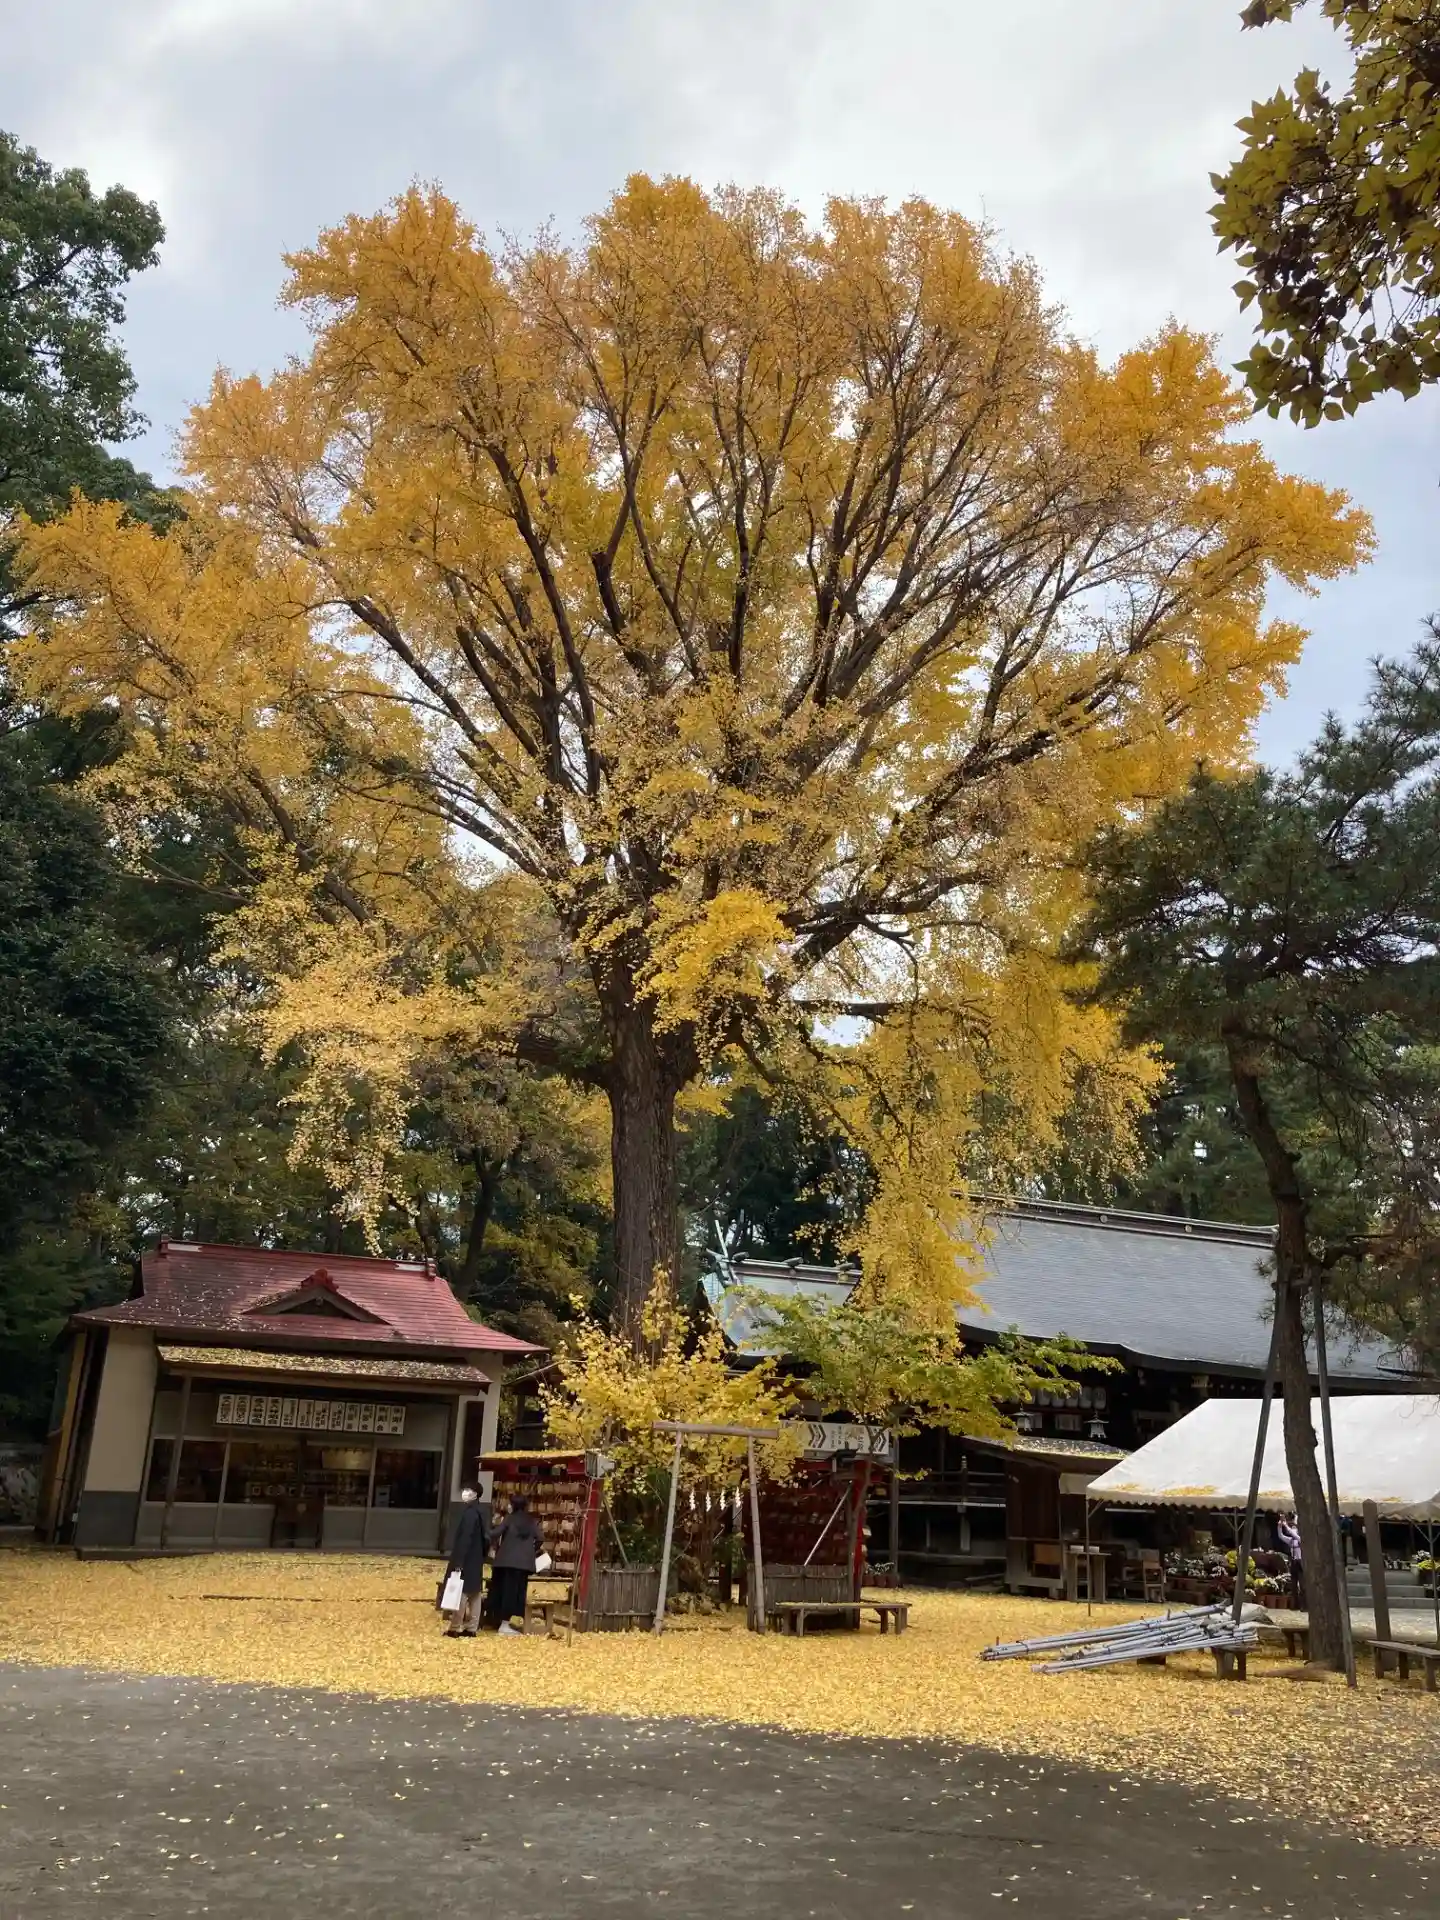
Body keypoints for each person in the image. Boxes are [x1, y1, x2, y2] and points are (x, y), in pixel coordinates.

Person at [484, 1493, 543, 1632]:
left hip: (505, 1561)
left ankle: (498, 1621)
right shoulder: (530, 1521)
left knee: (501, 1590)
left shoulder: (509, 1519)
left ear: (513, 1505)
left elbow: (495, 1533)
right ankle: (508, 1622)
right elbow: (540, 1538)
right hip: (523, 1564)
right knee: (517, 1593)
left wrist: (485, 1529)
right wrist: (531, 1550)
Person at [442, 1487, 489, 1637]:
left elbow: (465, 1538)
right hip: (477, 1556)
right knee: (475, 1593)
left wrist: (459, 1561)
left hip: (466, 1557)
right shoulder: (482, 1512)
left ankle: (455, 1626)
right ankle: (472, 1627)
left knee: (461, 1592)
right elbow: (486, 1537)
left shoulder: (470, 1514)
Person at [1277, 1511, 1305, 1611]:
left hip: (1301, 1562)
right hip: (1294, 1562)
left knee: (1303, 1585)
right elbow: (1281, 1536)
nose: (1293, 1530)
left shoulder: (1301, 1539)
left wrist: (1286, 1526)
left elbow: (1293, 1534)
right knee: (1293, 1585)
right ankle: (1295, 1605)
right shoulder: (1291, 1540)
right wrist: (1280, 1526)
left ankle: (1304, 1605)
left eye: (1294, 1529)